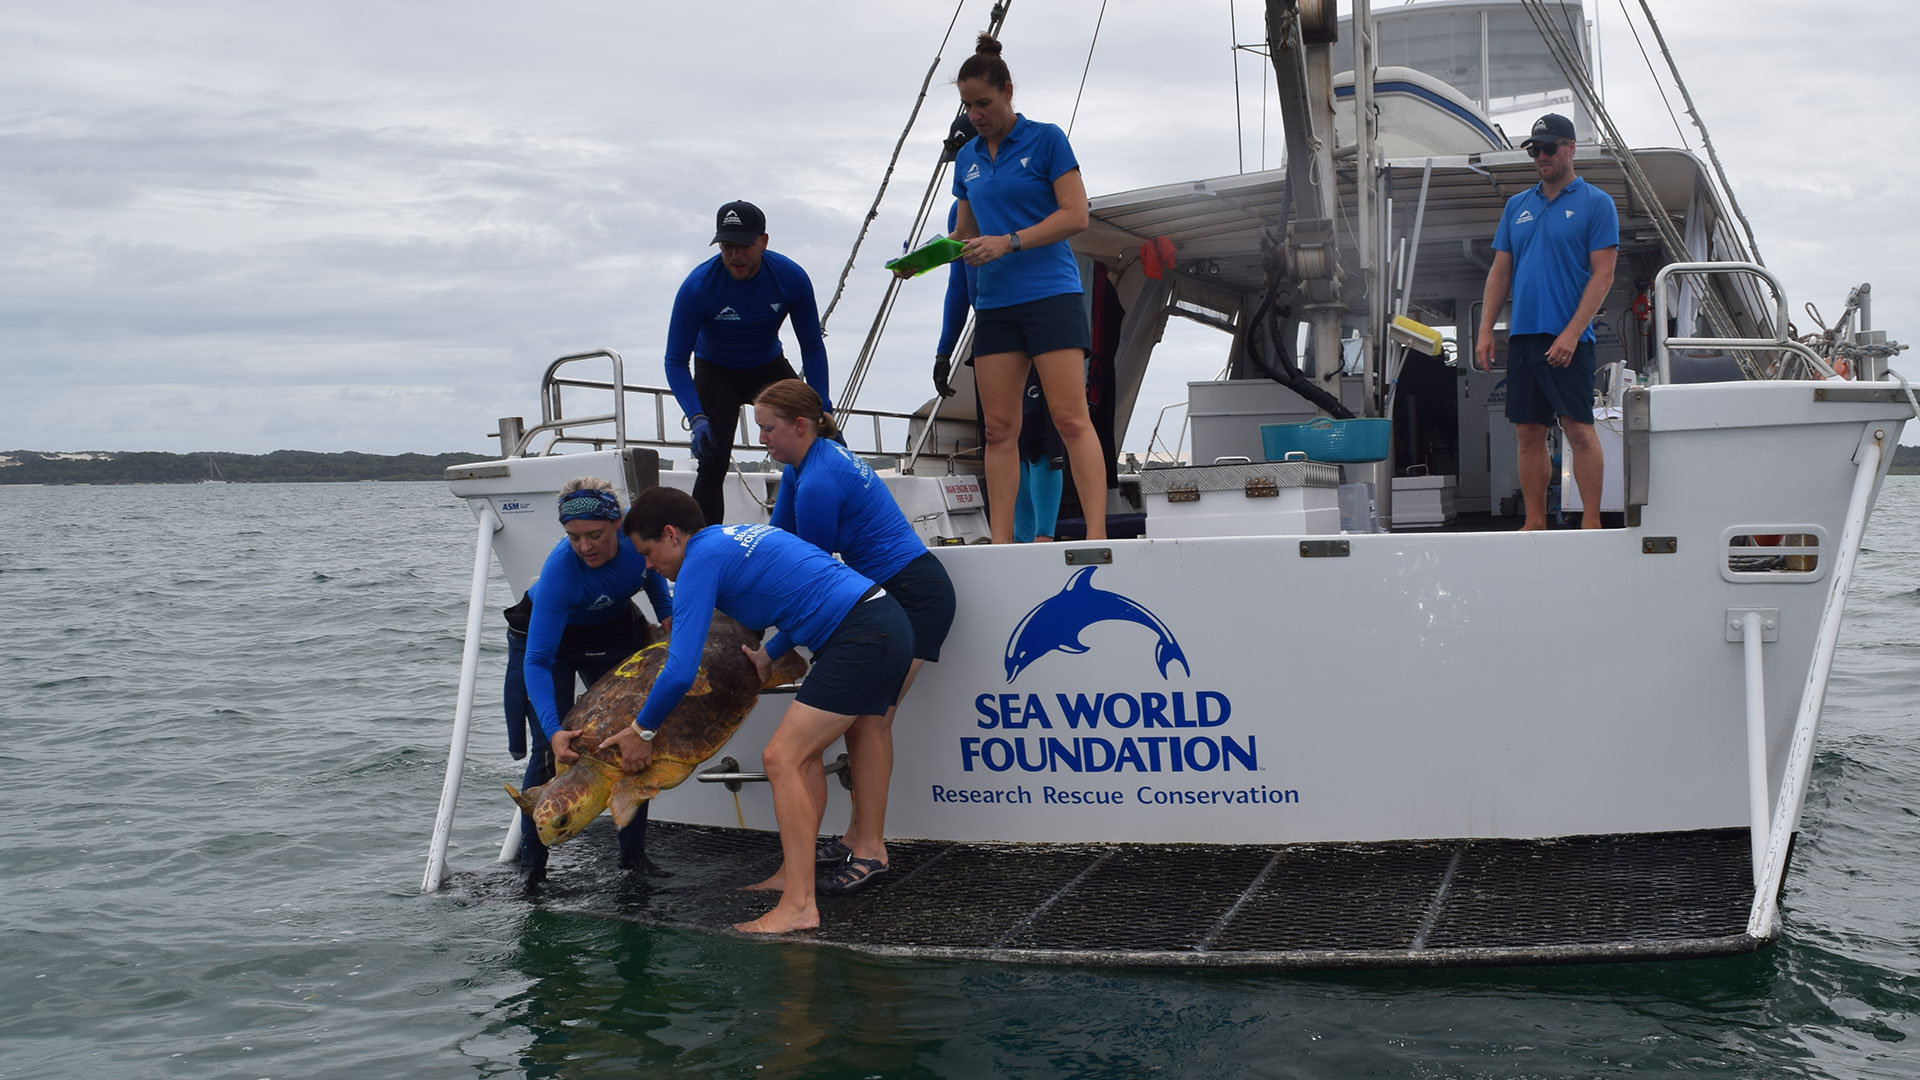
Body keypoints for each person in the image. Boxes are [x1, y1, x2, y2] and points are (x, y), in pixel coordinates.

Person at [603, 488, 913, 935]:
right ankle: (794, 876)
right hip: (881, 621)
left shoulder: (698, 563)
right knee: (802, 757)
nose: (649, 566)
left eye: (648, 553)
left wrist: (642, 730)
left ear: (671, 535)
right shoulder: (733, 537)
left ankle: (799, 907)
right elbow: (806, 588)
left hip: (861, 637)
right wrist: (771, 652)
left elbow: (679, 670)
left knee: (781, 757)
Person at [752, 378, 957, 894]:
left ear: (800, 426)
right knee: (858, 723)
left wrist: (771, 649)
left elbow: (811, 581)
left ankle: (872, 850)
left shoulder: (820, 480)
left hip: (915, 596)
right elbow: (780, 542)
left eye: (768, 429)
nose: (762, 440)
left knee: (869, 723)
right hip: (890, 593)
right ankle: (853, 836)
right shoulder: (809, 462)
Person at [939, 32, 1107, 543]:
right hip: (996, 304)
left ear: (1008, 91)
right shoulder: (967, 156)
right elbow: (963, 235)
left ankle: (1097, 536)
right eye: (967, 106)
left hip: (1051, 294)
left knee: (1069, 419)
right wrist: (919, 261)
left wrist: (1009, 242)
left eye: (983, 103)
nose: (975, 114)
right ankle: (1003, 542)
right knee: (998, 430)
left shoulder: (1047, 138)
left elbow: (1077, 215)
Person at [511, 477, 675, 890]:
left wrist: (668, 616)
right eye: (574, 537)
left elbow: (649, 576)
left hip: (614, 633)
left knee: (630, 740)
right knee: (550, 752)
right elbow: (538, 659)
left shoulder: (636, 548)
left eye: (596, 535)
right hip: (556, 645)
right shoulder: (559, 576)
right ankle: (534, 865)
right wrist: (554, 730)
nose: (585, 547)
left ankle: (633, 856)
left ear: (618, 525)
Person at [1474, 112, 1619, 529]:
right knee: (1528, 433)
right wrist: (1486, 330)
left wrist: (1572, 334)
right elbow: (1499, 274)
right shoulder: (1517, 206)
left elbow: (1604, 275)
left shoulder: (1596, 203)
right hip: (1523, 339)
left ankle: (1591, 521)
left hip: (1569, 339)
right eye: (1535, 149)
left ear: (1570, 148)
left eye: (1549, 148)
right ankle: (1533, 522)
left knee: (1578, 428)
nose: (1541, 156)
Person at [665, 199, 833, 528]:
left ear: (763, 242)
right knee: (711, 462)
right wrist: (696, 417)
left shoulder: (790, 277)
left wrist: (822, 403)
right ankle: (706, 549)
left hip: (767, 367)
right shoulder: (698, 286)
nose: (735, 256)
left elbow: (811, 346)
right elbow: (674, 361)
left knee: (813, 446)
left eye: (743, 246)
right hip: (716, 371)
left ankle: (803, 538)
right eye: (727, 246)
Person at [1014, 370, 1065, 543]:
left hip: (1039, 358)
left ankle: (1043, 537)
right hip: (999, 358)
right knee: (1006, 444)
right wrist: (943, 354)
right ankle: (1019, 539)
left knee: (1040, 444)